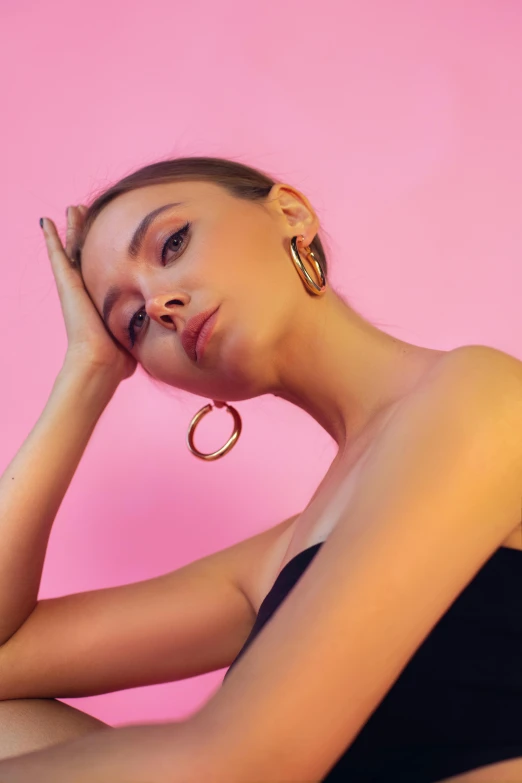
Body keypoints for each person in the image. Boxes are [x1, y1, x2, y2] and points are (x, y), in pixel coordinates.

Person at [0, 156, 520, 782]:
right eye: (133, 323)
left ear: (290, 213)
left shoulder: (481, 395)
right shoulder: (270, 564)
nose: (161, 304)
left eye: (173, 242)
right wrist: (86, 373)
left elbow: (241, 760)